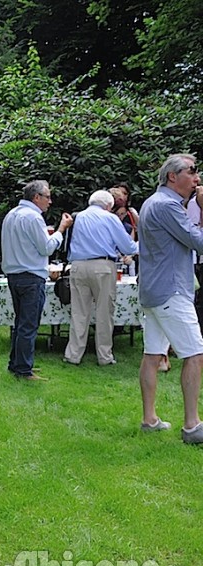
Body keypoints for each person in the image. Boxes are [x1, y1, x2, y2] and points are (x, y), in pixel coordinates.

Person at [138, 154, 203, 443]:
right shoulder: (168, 206)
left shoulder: (154, 202)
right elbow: (198, 242)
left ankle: (149, 419)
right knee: (195, 354)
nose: (197, 178)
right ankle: (192, 426)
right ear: (172, 177)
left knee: (152, 355)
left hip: (154, 291)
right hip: (172, 292)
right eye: (192, 172)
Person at [1, 180, 73, 381]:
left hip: (13, 275)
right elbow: (47, 248)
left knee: (20, 322)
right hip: (31, 276)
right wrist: (61, 230)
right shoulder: (33, 217)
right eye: (47, 197)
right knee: (28, 325)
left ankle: (16, 364)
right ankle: (24, 370)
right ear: (36, 197)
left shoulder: (11, 215)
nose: (50, 201)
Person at [63, 190, 138, 366]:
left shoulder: (79, 217)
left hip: (78, 265)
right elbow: (127, 246)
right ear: (108, 205)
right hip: (102, 266)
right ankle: (104, 356)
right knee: (104, 312)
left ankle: (73, 354)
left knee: (79, 312)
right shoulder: (110, 218)